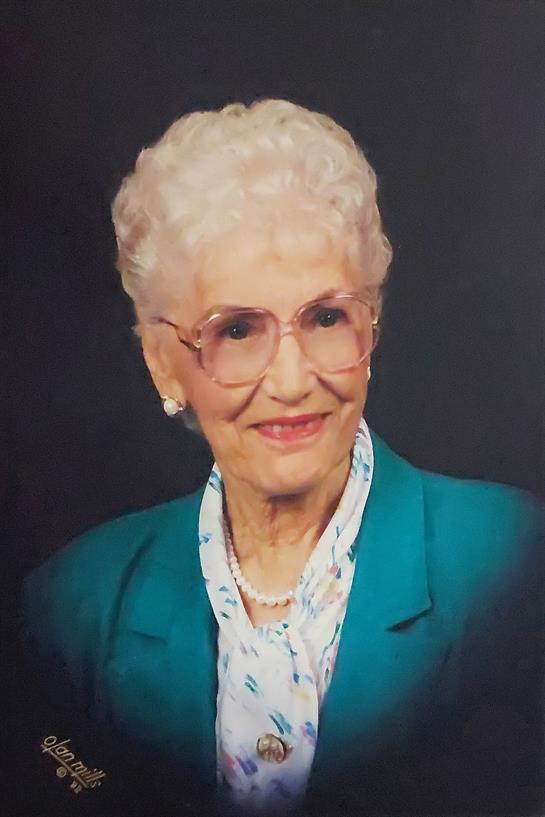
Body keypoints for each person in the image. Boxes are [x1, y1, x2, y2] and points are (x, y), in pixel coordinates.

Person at [20, 98, 545, 817]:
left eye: (326, 317)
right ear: (163, 364)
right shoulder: (74, 605)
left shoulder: (515, 564)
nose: (294, 380)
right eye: (236, 330)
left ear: (371, 325)